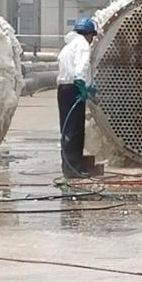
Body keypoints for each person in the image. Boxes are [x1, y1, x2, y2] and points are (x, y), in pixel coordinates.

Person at [57, 17, 97, 178]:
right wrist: (81, 86)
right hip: (73, 89)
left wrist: (89, 87)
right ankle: (75, 168)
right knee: (75, 130)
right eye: (92, 36)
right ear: (88, 33)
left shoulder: (68, 46)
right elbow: (81, 68)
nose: (92, 39)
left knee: (66, 129)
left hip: (63, 89)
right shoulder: (82, 45)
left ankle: (68, 166)